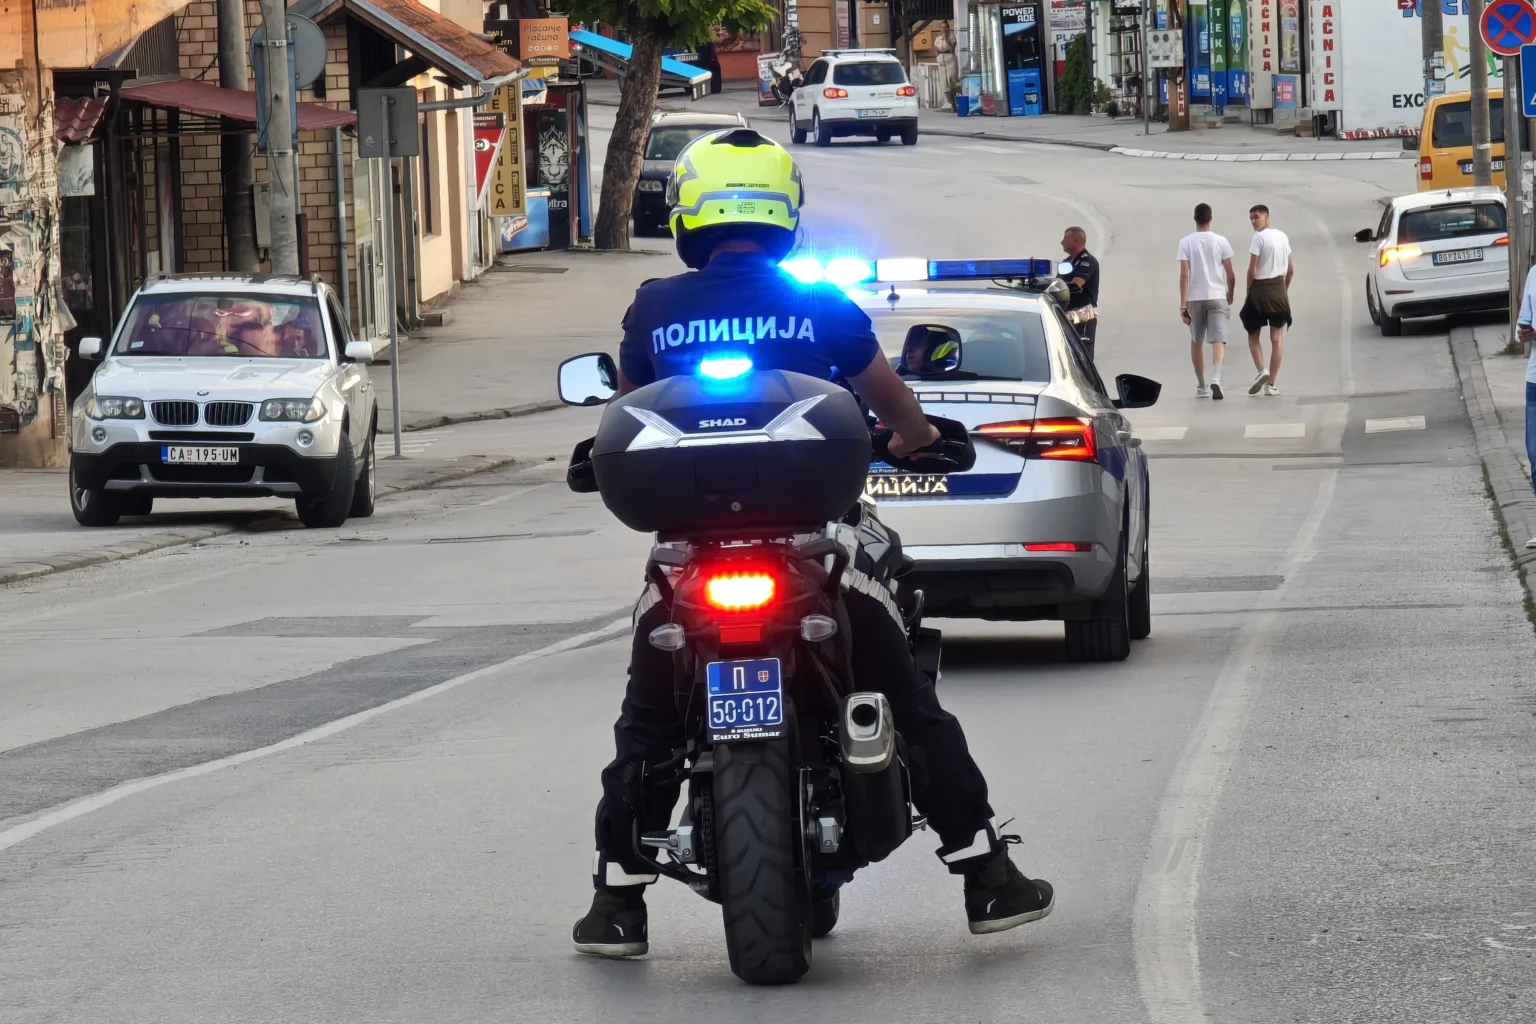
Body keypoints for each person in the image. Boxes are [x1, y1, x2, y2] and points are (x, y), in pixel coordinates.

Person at [573, 127, 1054, 958]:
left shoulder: (653, 307)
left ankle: (618, 902)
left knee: (649, 720)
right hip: (816, 545)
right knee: (905, 697)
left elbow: (627, 410)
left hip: (690, 557)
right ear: (784, 213)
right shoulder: (821, 303)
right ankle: (986, 876)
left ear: (689, 214)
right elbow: (894, 406)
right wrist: (916, 438)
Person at [1177, 203, 1236, 399]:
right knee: (1218, 339)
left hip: (1195, 298)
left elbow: (1184, 275)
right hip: (1217, 296)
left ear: (1195, 218)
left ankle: (1201, 385)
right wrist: (1230, 292)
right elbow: (1230, 274)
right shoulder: (1221, 241)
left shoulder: (1185, 242)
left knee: (1196, 341)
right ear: (1211, 218)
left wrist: (1183, 305)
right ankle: (1216, 378)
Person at [1239, 205, 1293, 396]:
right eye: (1251, 218)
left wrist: (1248, 292)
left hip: (1259, 290)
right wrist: (1284, 289)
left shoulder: (1258, 238)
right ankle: (1271, 385)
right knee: (1277, 338)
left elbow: (1252, 270)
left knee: (1253, 333)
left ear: (1266, 216)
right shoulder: (1283, 236)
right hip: (1278, 289)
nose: (1253, 221)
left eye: (1256, 217)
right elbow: (1291, 269)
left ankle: (1262, 370)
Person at [1514, 266, 1536, 550]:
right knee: (1535, 454)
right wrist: (1525, 333)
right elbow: (1522, 330)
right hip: (1535, 380)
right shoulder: (1534, 274)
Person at [1060, 226, 1100, 363]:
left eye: (1065, 239)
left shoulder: (1087, 261)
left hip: (1082, 319)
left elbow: (1076, 285)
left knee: (1083, 359)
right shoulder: (1066, 263)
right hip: (1066, 317)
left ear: (1076, 241)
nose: (1061, 242)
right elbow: (1058, 285)